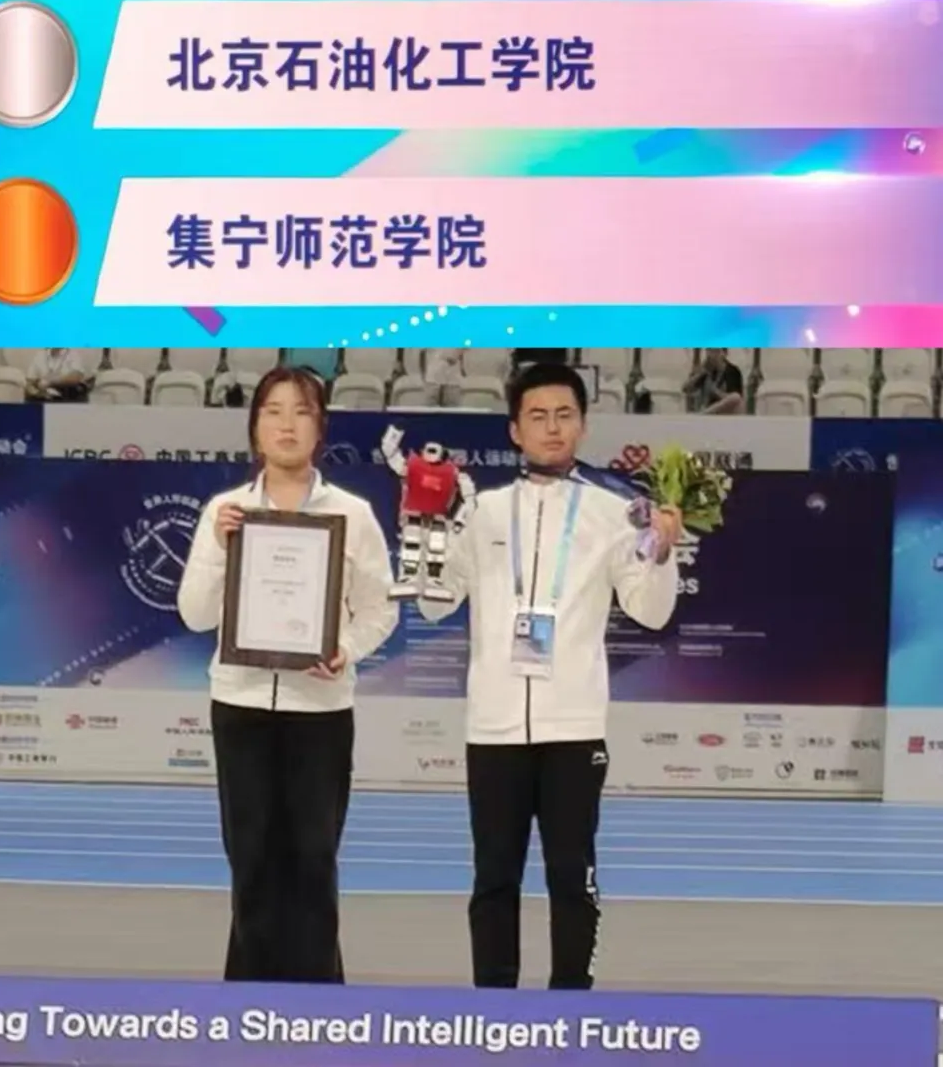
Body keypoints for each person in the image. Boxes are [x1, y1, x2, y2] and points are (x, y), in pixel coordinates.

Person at [421, 361, 682, 992]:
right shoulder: (480, 512)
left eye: (564, 415)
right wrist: (428, 527)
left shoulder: (616, 513)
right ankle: (495, 1009)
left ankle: (572, 1006)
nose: (552, 427)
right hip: (494, 728)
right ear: (515, 430)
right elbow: (433, 604)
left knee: (572, 875)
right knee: (494, 878)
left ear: (583, 424)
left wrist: (663, 549)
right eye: (537, 416)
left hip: (574, 726)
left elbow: (651, 611)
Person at [177, 365, 398, 984]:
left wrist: (346, 648)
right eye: (273, 411)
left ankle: (320, 1005)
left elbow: (381, 609)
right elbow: (195, 615)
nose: (287, 425)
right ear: (255, 429)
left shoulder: (352, 515)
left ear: (320, 429)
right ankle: (248, 1004)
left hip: (319, 712)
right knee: (250, 860)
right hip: (241, 707)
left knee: (312, 861)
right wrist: (220, 549)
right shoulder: (225, 512)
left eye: (301, 412)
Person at [686, 348, 745, 415]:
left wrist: (715, 391)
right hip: (709, 409)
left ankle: (703, 414)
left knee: (735, 397)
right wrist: (700, 374)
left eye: (716, 351)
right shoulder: (706, 370)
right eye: (709, 350)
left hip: (726, 411)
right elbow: (686, 389)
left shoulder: (732, 371)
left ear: (724, 354)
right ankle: (704, 413)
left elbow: (735, 399)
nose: (711, 355)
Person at [25, 348, 89, 402]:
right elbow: (30, 381)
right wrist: (36, 392)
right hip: (44, 400)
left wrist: (50, 381)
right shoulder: (40, 355)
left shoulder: (73, 354)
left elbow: (76, 377)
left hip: (68, 400)